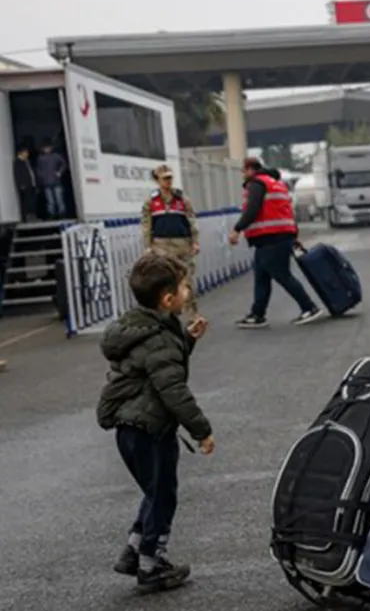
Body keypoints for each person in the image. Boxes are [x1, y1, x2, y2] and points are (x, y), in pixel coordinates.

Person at [95, 251, 215, 592]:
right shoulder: (160, 336)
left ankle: (134, 551)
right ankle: (151, 564)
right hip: (151, 430)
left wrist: (187, 339)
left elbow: (159, 365)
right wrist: (201, 431)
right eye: (184, 287)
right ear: (167, 299)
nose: (187, 291)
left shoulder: (142, 327)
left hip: (131, 429)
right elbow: (173, 389)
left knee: (154, 492)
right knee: (163, 496)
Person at [229, 158, 325, 329]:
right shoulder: (276, 183)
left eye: (243, 171)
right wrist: (293, 235)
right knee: (261, 276)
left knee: (282, 275)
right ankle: (258, 314)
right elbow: (286, 211)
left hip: (271, 238)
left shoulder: (256, 184)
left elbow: (252, 209)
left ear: (251, 170)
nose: (243, 175)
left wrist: (237, 229)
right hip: (277, 237)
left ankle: (309, 307)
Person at [141, 165, 201, 323]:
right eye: (165, 178)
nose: (168, 181)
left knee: (185, 280)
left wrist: (195, 242)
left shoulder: (182, 199)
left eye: (170, 178)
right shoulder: (151, 202)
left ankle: (192, 315)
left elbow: (192, 221)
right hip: (161, 245)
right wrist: (148, 246)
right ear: (157, 180)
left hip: (182, 244)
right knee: (165, 280)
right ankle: (167, 315)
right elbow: (146, 225)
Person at [35, 141, 67, 219]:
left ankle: (61, 214)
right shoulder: (40, 158)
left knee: (59, 199)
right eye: (45, 148)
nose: (46, 150)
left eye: (48, 148)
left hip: (56, 181)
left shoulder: (56, 156)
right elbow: (38, 169)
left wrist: (59, 172)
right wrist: (41, 175)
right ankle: (52, 214)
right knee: (50, 201)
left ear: (51, 148)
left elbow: (64, 164)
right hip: (46, 182)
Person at [13, 147, 37, 222]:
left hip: (31, 183)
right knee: (27, 201)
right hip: (25, 184)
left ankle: (33, 215)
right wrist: (20, 184)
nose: (27, 154)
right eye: (25, 152)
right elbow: (17, 174)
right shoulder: (18, 162)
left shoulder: (27, 161)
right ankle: (28, 216)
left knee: (32, 200)